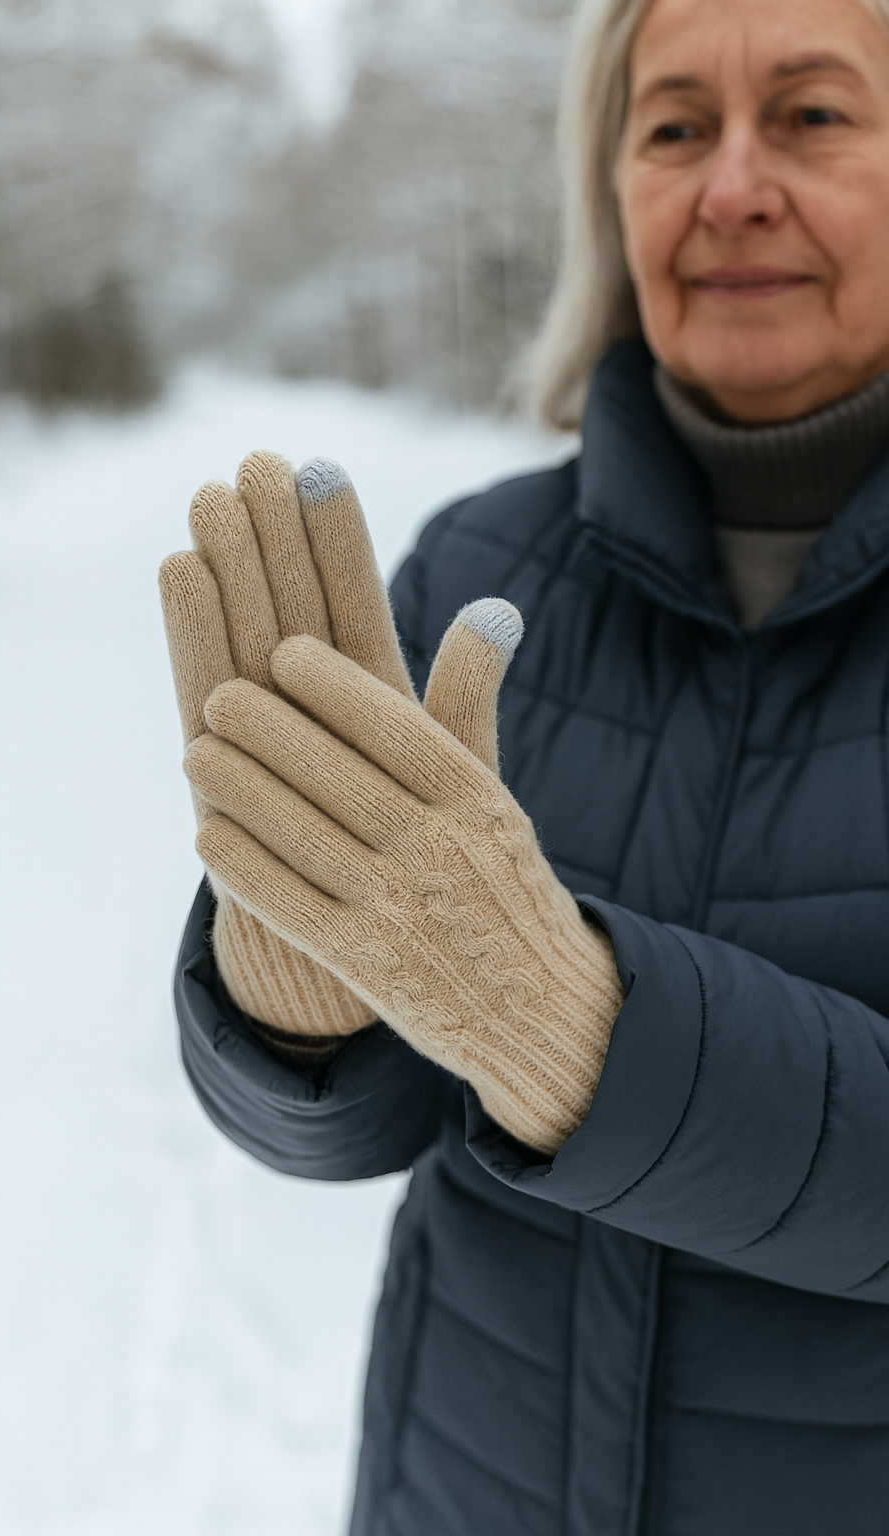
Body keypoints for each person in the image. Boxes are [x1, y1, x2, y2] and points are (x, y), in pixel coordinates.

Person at [159, 0, 889, 1528]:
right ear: (612, 190)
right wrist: (298, 1014)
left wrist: (574, 1028)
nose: (731, 186)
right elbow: (355, 1134)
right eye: (673, 127)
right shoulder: (480, 567)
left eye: (813, 115)